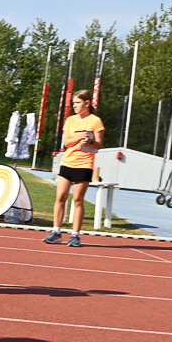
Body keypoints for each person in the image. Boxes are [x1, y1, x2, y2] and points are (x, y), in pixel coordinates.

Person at [42, 89, 105, 247]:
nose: (74, 106)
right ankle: (56, 231)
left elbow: (99, 145)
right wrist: (79, 136)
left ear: (87, 103)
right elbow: (66, 143)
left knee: (78, 200)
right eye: (74, 103)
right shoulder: (70, 120)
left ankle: (75, 235)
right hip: (67, 162)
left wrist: (90, 140)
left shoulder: (95, 121)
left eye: (77, 103)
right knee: (60, 197)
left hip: (84, 164)